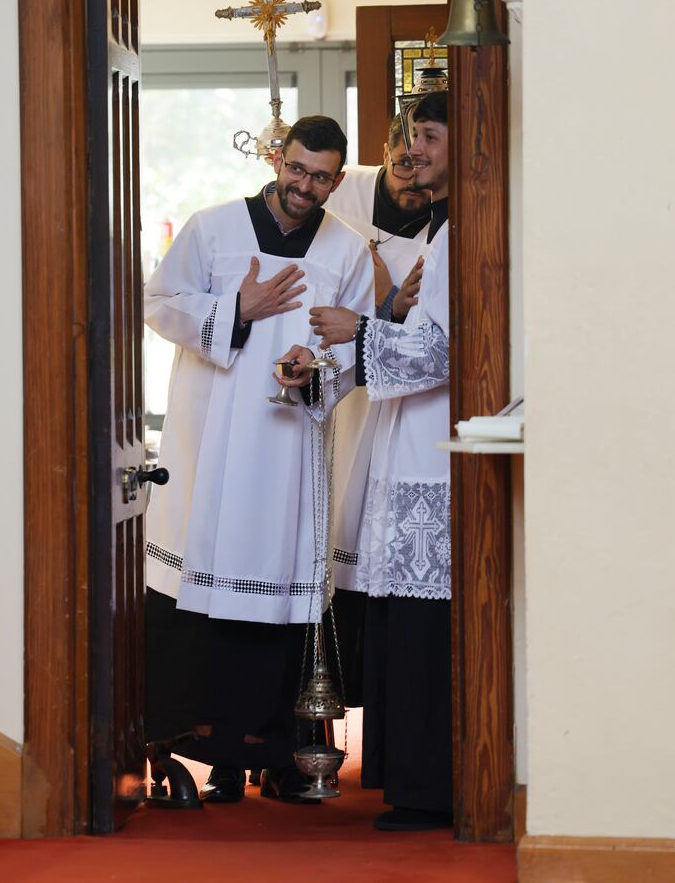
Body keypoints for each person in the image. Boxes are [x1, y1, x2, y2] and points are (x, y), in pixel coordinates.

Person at [143, 115, 374, 806]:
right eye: (297, 169)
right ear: (279, 159)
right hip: (213, 441)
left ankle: (275, 754)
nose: (306, 186)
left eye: (322, 176)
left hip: (289, 454)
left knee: (280, 597)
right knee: (201, 596)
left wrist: (318, 366)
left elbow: (356, 350)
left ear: (339, 177)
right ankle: (194, 750)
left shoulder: (348, 250)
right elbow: (157, 303)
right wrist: (233, 309)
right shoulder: (212, 228)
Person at [280, 95, 451, 831]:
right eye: (412, 136)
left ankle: (427, 788)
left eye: (433, 136)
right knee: (394, 626)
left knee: (420, 634)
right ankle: (401, 777)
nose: (416, 150)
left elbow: (444, 351)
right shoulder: (438, 228)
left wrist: (364, 326)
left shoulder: (460, 229)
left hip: (431, 451)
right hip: (397, 439)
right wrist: (335, 354)